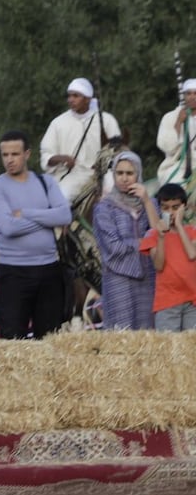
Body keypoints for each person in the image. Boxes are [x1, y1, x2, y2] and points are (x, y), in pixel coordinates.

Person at [0, 131, 73, 339]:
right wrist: (46, 219)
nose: (9, 160)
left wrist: (25, 213)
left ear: (27, 154)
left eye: (14, 154)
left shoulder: (46, 183)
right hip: (13, 273)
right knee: (13, 339)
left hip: (49, 271)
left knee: (50, 338)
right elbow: (8, 227)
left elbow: (65, 215)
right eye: (5, 155)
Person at [92, 151, 155, 330]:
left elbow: (160, 235)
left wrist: (147, 201)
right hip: (117, 278)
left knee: (149, 338)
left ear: (139, 174)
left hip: (148, 279)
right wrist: (143, 243)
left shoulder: (151, 204)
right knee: (121, 338)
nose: (124, 178)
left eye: (130, 173)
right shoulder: (104, 208)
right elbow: (113, 247)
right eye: (119, 173)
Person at [40, 78, 122, 204]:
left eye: (76, 96)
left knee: (117, 193)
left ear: (87, 99)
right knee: (62, 198)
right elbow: (46, 154)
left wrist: (105, 162)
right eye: (69, 96)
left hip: (104, 173)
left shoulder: (106, 120)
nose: (70, 100)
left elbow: (118, 151)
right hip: (74, 175)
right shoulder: (58, 123)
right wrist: (62, 158)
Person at [139, 183, 196, 331]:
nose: (170, 212)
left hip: (192, 301)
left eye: (175, 208)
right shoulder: (153, 235)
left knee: (191, 347)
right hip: (167, 302)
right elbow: (158, 265)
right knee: (169, 348)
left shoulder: (192, 231)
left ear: (184, 207)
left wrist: (179, 225)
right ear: (160, 209)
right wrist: (162, 237)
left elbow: (192, 253)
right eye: (165, 208)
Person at [155, 78, 196, 187]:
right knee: (174, 189)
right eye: (189, 93)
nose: (192, 97)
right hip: (177, 166)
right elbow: (167, 147)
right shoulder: (169, 117)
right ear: (184, 96)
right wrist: (178, 122)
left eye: (195, 93)